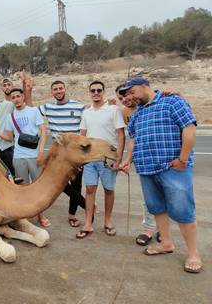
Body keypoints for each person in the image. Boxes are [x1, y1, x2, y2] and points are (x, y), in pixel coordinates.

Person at [119, 78, 202, 273]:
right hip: (146, 169)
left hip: (173, 168)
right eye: (126, 95)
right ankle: (166, 243)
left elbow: (189, 128)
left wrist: (182, 160)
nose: (129, 97)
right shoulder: (137, 113)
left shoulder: (172, 101)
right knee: (157, 208)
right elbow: (134, 139)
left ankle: (193, 253)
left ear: (144, 85)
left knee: (183, 210)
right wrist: (128, 160)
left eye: (131, 92)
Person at [25, 79, 87, 228]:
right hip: (58, 152)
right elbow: (30, 108)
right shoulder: (49, 107)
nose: (58, 91)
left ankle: (72, 215)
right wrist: (29, 90)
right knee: (60, 184)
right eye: (55, 89)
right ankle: (86, 204)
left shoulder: (78, 106)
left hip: (75, 152)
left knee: (76, 184)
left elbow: (88, 123)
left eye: (60, 88)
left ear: (64, 89)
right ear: (52, 92)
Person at [0, 88, 50, 227]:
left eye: (18, 96)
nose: (16, 99)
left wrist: (41, 152)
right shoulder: (10, 117)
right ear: (11, 100)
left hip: (34, 155)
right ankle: (26, 217)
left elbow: (43, 131)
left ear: (23, 97)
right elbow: (10, 138)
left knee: (37, 187)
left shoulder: (33, 111)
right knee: (23, 188)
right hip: (18, 156)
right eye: (13, 97)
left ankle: (41, 215)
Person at [77, 81, 125, 239]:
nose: (96, 93)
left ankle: (108, 221)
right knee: (90, 189)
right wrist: (80, 158)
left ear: (103, 92)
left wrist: (118, 158)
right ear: (89, 92)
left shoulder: (113, 110)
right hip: (90, 158)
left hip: (108, 158)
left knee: (109, 190)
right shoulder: (86, 112)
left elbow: (121, 135)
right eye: (93, 90)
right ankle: (88, 223)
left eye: (99, 90)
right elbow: (82, 136)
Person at [115, 85, 159, 246]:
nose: (125, 100)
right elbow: (132, 139)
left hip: (163, 158)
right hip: (143, 159)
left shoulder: (149, 104)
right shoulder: (123, 113)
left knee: (167, 196)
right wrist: (128, 160)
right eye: (121, 98)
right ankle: (148, 229)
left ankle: (162, 230)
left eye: (127, 95)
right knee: (149, 198)